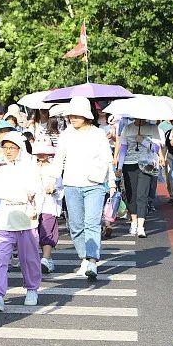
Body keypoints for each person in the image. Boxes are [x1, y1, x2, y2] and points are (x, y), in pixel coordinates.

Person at [48, 97, 115, 279]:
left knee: (92, 223)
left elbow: (107, 159)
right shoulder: (66, 135)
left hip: (95, 184)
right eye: (71, 115)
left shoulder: (98, 134)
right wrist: (52, 180)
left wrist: (112, 183)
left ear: (86, 116)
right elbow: (59, 159)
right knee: (76, 225)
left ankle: (92, 260)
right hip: (71, 184)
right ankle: (84, 257)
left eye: (77, 115)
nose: (73, 118)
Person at [0, 132, 42, 310]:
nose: (8, 151)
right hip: (5, 218)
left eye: (12, 148)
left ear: (20, 149)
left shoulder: (31, 169)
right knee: (1, 257)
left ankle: (32, 289)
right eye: (5, 147)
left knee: (29, 258)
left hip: (26, 217)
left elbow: (38, 192)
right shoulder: (1, 171)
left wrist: (36, 211)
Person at [115, 117, 164, 238]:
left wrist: (143, 140)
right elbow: (123, 148)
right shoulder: (127, 128)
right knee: (131, 195)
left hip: (147, 165)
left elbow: (156, 148)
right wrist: (119, 167)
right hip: (129, 164)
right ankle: (134, 222)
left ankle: (141, 226)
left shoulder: (153, 128)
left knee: (142, 195)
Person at [33, 141, 62, 274]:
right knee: (35, 232)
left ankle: (45, 259)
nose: (41, 155)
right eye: (39, 152)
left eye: (44, 152)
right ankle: (48, 259)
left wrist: (54, 190)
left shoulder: (54, 169)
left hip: (49, 203)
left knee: (47, 230)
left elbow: (60, 188)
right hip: (33, 204)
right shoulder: (30, 168)